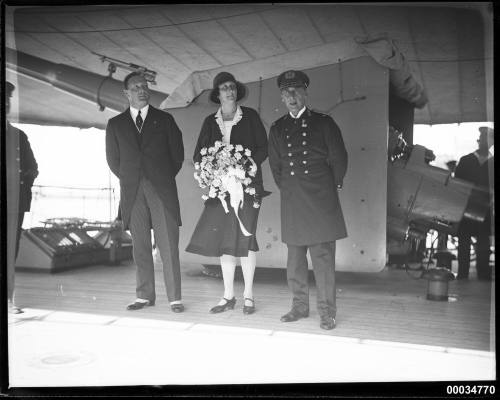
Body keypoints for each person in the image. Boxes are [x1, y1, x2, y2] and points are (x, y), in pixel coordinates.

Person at [268, 70, 348, 330]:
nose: (291, 96)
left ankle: (327, 313)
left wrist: (327, 187)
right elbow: (276, 166)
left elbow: (339, 159)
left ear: (305, 93)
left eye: (296, 91)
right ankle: (299, 307)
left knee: (323, 261)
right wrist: (291, 189)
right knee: (295, 260)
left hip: (320, 198)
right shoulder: (278, 128)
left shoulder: (324, 123)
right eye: (286, 92)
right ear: (281, 97)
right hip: (293, 200)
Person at [186, 72, 268, 315]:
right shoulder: (210, 122)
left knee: (246, 237)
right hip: (220, 190)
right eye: (224, 88)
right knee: (224, 241)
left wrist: (244, 167)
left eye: (232, 87)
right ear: (218, 94)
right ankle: (228, 295)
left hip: (248, 186)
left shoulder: (250, 116)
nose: (229, 91)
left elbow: (263, 148)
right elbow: (198, 155)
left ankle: (249, 296)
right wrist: (216, 171)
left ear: (236, 91)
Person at [106, 72, 185, 312]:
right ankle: (144, 296)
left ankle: (175, 298)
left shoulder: (165, 120)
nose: (142, 90)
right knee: (140, 245)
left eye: (145, 86)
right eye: (136, 87)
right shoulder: (115, 124)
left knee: (168, 245)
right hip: (132, 191)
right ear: (126, 93)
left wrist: (159, 177)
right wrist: (132, 179)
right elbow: (113, 160)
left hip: (161, 188)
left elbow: (177, 156)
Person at [4, 81, 39, 314]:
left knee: (10, 251)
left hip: (14, 205)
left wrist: (22, 181)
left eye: (7, 100)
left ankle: (8, 300)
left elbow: (33, 167)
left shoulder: (19, 136)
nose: (6, 103)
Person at [454, 126, 494, 281]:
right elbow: (456, 185)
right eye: (483, 139)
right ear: (478, 141)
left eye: (488, 140)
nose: (485, 143)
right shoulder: (466, 160)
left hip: (486, 208)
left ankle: (483, 273)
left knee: (483, 242)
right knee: (464, 241)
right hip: (466, 207)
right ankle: (462, 274)